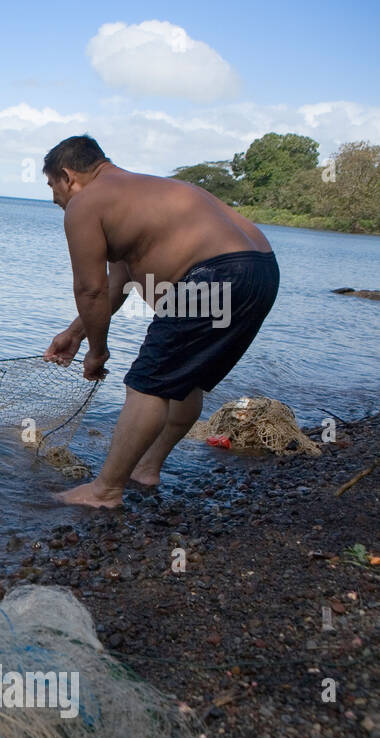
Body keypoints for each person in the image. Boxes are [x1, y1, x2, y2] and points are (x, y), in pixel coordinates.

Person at [41, 135, 278, 508]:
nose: (56, 199)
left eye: (53, 187)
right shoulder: (141, 193)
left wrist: (98, 353)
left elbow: (91, 289)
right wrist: (76, 334)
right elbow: (118, 283)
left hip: (214, 276)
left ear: (68, 176)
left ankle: (104, 492)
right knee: (185, 380)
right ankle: (146, 468)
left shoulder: (86, 203)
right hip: (260, 272)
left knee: (147, 384)